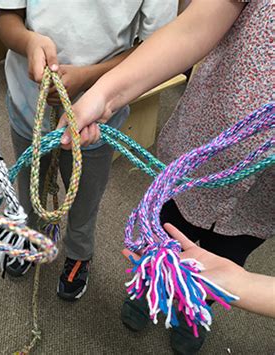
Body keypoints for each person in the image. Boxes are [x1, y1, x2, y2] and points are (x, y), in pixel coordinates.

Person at [59, 0, 273, 352]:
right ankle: (147, 289)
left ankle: (194, 310)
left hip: (259, 201)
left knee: (228, 257)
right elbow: (196, 24)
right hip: (195, 152)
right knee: (164, 232)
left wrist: (250, 288)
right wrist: (103, 96)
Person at [0, 0, 177, 301]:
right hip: (28, 104)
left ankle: (78, 252)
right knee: (29, 185)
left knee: (85, 196)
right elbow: (6, 18)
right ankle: (28, 236)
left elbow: (158, 47)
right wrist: (29, 41)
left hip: (98, 118)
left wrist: (88, 76)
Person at [123, 224, 275, 318]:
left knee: (224, 260)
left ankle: (195, 310)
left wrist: (238, 284)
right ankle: (148, 294)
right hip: (190, 199)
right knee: (157, 256)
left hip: (250, 222)